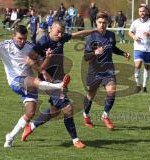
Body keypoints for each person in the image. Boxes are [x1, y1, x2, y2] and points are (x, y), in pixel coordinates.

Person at [0, 25, 71, 148]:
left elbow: (41, 67)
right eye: (20, 38)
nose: (22, 41)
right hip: (16, 81)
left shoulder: (30, 46)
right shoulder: (6, 45)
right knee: (35, 81)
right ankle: (59, 85)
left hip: (29, 83)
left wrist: (47, 57)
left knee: (30, 113)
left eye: (24, 38)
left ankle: (10, 137)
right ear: (14, 36)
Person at [21, 21, 98, 149]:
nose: (60, 34)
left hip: (59, 80)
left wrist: (93, 31)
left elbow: (76, 35)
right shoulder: (42, 42)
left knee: (55, 110)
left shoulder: (61, 38)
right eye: (58, 32)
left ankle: (31, 126)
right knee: (68, 108)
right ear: (51, 29)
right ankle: (75, 140)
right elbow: (29, 60)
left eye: (62, 32)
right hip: (49, 81)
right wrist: (44, 71)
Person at [82, 12, 130, 130]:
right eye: (100, 22)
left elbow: (112, 48)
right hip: (94, 70)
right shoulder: (91, 37)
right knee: (90, 95)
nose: (102, 25)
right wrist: (94, 53)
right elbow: (86, 57)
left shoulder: (111, 35)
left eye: (104, 22)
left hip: (108, 68)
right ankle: (86, 116)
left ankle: (105, 116)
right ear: (96, 23)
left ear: (107, 23)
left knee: (112, 90)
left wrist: (123, 53)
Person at [128, 5, 150, 93]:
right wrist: (134, 37)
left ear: (147, 12)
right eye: (140, 11)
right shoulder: (135, 22)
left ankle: (144, 86)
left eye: (143, 11)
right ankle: (138, 85)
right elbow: (130, 32)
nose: (142, 13)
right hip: (138, 48)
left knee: (147, 68)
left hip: (149, 49)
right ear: (138, 13)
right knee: (137, 66)